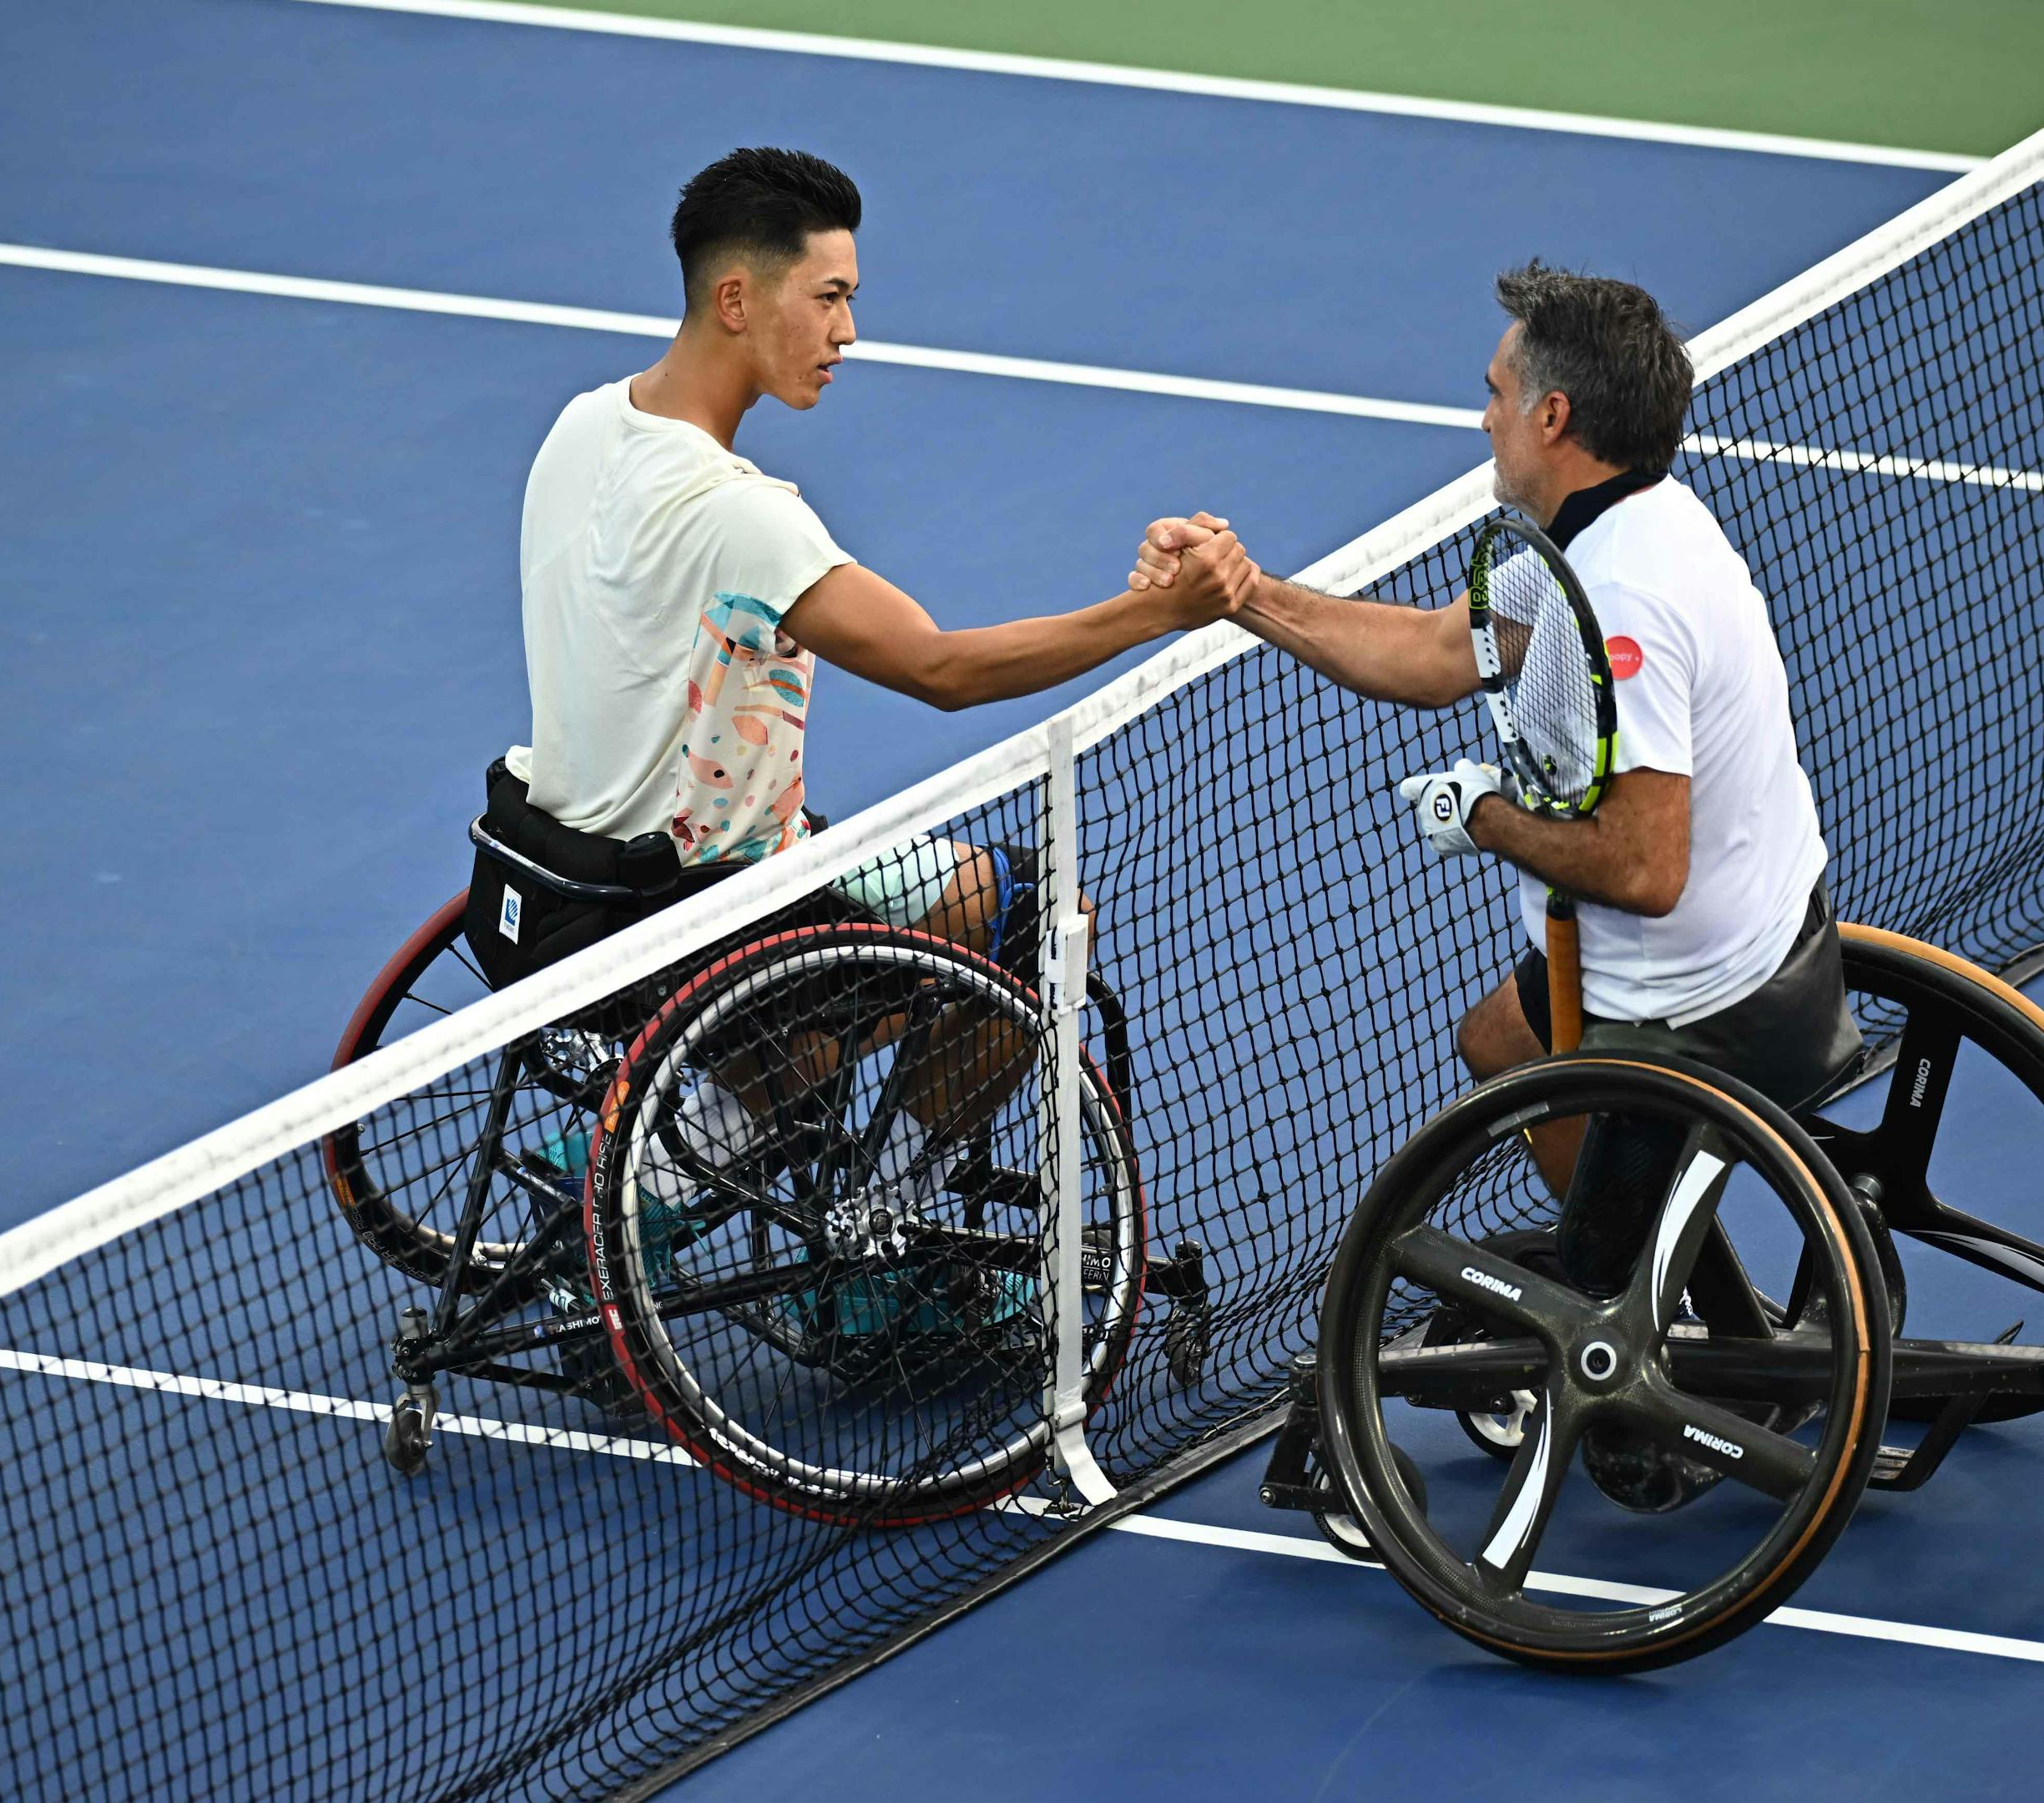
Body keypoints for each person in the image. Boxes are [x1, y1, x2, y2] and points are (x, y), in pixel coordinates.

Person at [499, 147, 1253, 1370]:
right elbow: (942, 670)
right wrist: (1154, 616)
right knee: (1027, 918)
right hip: (706, 903)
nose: (850, 329)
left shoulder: (585, 427)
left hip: (569, 882)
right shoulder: (744, 514)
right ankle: (857, 1242)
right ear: (737, 299)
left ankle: (660, 1160)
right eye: (830, 297)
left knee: (906, 901)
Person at [1133, 262, 1861, 1295]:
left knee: (1558, 1175)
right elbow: (1439, 653)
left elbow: (1647, 867)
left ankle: (1643, 1314)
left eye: (1494, 393)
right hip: (1771, 929)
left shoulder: (1626, 598)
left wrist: (1484, 815)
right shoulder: (1617, 524)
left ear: (1552, 415)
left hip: (1696, 996)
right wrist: (1241, 595)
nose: (1483, 420)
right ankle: (1668, 1283)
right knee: (1498, 1040)